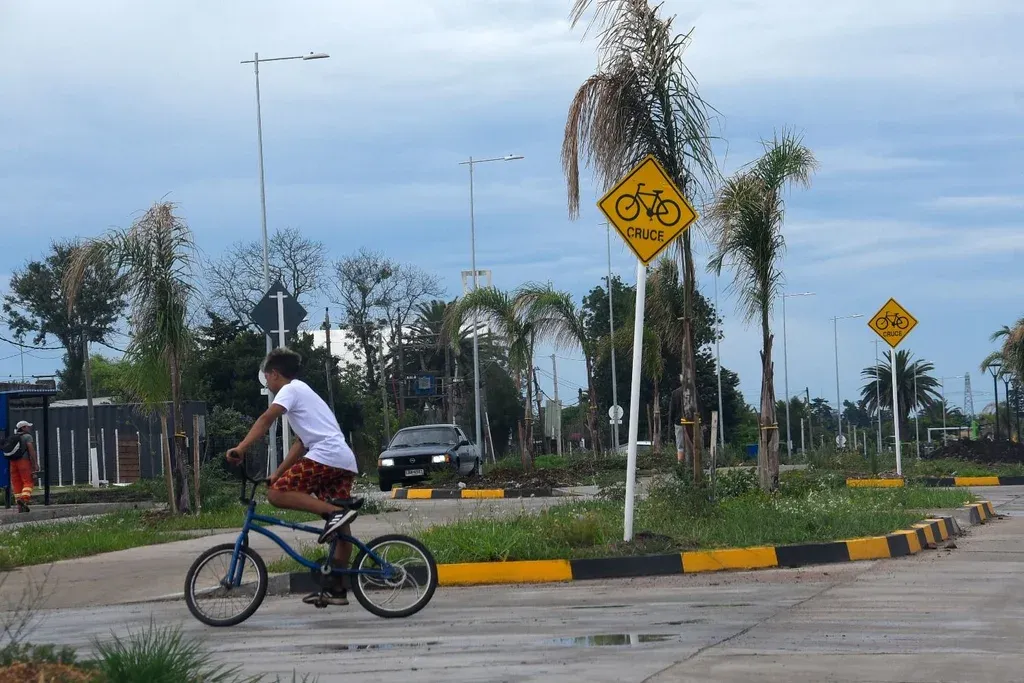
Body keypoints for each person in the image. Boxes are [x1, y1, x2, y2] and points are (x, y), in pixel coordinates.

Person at [226, 347, 358, 607]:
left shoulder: (290, 390)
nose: (268, 384)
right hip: (341, 459)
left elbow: (266, 419)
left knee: (276, 495)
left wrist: (241, 448)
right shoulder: (303, 391)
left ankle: (335, 513)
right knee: (342, 534)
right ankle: (336, 589)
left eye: (267, 378)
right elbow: (301, 443)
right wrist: (277, 473)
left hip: (327, 455)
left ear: (275, 374)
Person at [8, 421, 39, 513]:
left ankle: (20, 506)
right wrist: (35, 464)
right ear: (23, 428)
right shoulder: (27, 437)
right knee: (28, 482)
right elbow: (31, 451)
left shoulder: (12, 437)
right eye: (27, 426)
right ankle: (24, 499)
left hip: (13, 463)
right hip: (24, 462)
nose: (29, 428)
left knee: (17, 484)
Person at [668, 377, 686, 465]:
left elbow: (672, 409)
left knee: (680, 445)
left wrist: (672, 421)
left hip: (679, 422)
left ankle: (680, 464)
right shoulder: (694, 392)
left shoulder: (676, 393)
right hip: (692, 422)